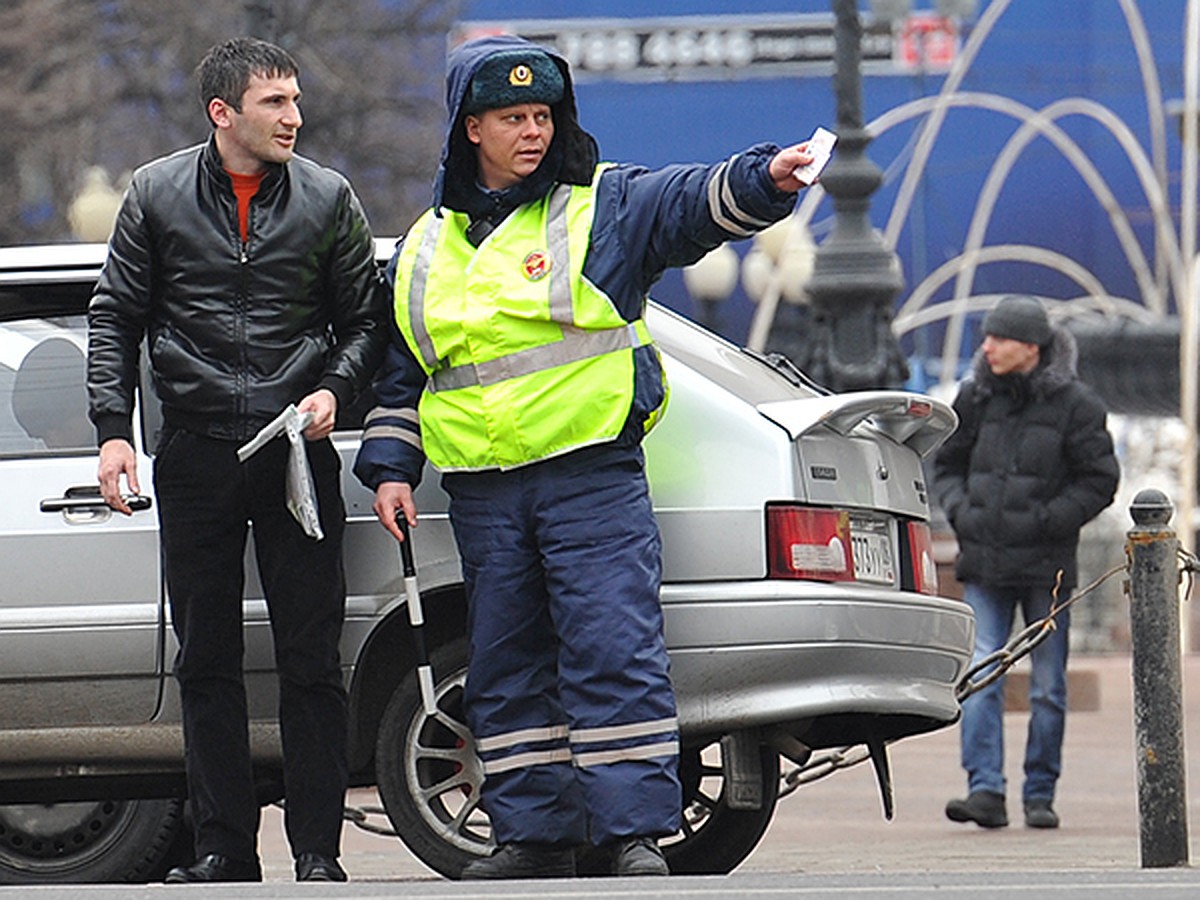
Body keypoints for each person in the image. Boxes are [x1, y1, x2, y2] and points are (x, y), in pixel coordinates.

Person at [353, 34, 818, 880]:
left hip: (589, 477)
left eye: (542, 115)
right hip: (485, 493)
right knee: (506, 666)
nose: (532, 131)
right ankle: (532, 837)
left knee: (613, 651)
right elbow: (402, 372)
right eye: (511, 117)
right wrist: (390, 466)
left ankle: (631, 836)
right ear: (469, 129)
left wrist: (765, 177)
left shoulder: (596, 207)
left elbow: (686, 202)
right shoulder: (422, 247)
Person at [86, 37, 387, 884]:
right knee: (207, 657)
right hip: (194, 450)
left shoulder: (328, 197)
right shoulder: (155, 192)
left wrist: (335, 388)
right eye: (274, 103)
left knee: (311, 654)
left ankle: (319, 853)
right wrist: (116, 429)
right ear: (223, 113)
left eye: (295, 100)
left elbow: (366, 321)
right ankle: (223, 849)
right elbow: (115, 318)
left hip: (297, 451)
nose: (295, 117)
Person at [933, 294, 1119, 831]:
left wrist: (1048, 519)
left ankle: (1041, 792)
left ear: (1030, 347)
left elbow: (1099, 481)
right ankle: (985, 790)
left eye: (998, 338)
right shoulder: (975, 396)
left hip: (1047, 566)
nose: (986, 347)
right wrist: (961, 510)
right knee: (983, 670)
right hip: (985, 559)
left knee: (1047, 687)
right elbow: (945, 462)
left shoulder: (1078, 406)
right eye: (986, 337)